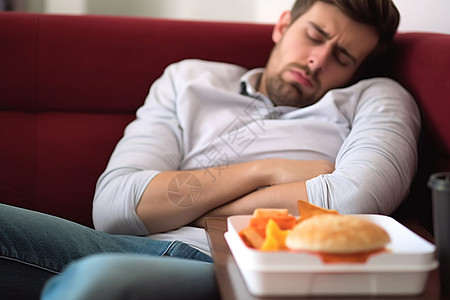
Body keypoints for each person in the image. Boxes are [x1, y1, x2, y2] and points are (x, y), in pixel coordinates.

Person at [0, 1, 419, 300]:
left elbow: (351, 200)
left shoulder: (375, 98)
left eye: (342, 56)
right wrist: (269, 172)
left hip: (227, 264)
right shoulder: (188, 80)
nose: (317, 60)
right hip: (118, 244)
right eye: (315, 35)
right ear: (283, 25)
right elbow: (113, 207)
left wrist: (172, 205)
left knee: (101, 280)